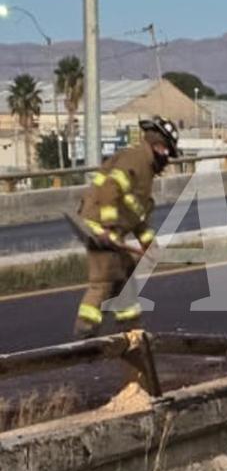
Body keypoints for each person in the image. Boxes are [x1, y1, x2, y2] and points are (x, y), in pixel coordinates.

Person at [73, 116, 179, 338]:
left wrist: (148, 243)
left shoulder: (145, 169)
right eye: (167, 151)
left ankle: (130, 329)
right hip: (98, 226)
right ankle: (84, 333)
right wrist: (108, 227)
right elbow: (109, 188)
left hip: (109, 229)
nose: (167, 157)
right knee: (105, 277)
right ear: (158, 146)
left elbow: (137, 213)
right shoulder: (136, 160)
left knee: (126, 273)